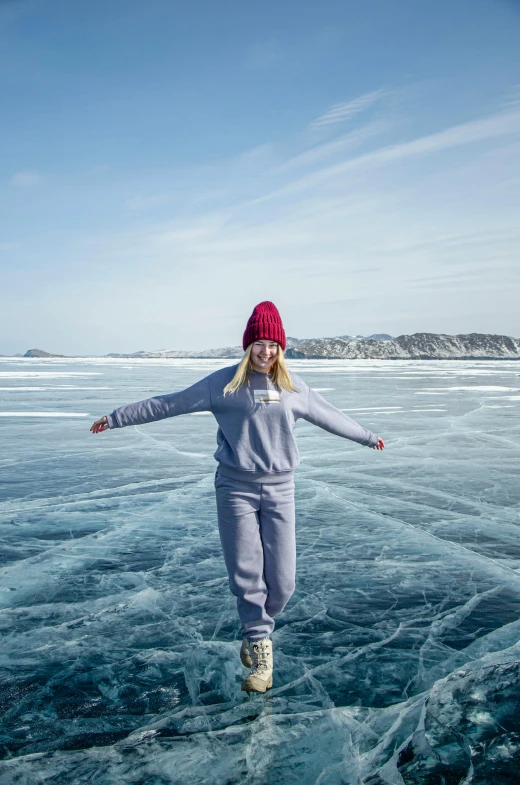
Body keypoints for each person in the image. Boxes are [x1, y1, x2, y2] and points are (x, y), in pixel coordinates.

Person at [90, 301, 384, 694]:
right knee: (247, 575)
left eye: (274, 344)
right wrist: (116, 417)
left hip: (281, 489)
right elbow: (170, 403)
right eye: (260, 343)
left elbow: (331, 416)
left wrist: (367, 437)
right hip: (236, 489)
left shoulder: (292, 388)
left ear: (281, 348)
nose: (267, 352)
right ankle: (262, 651)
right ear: (248, 346)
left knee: (282, 585)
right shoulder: (224, 385)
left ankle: (252, 633)